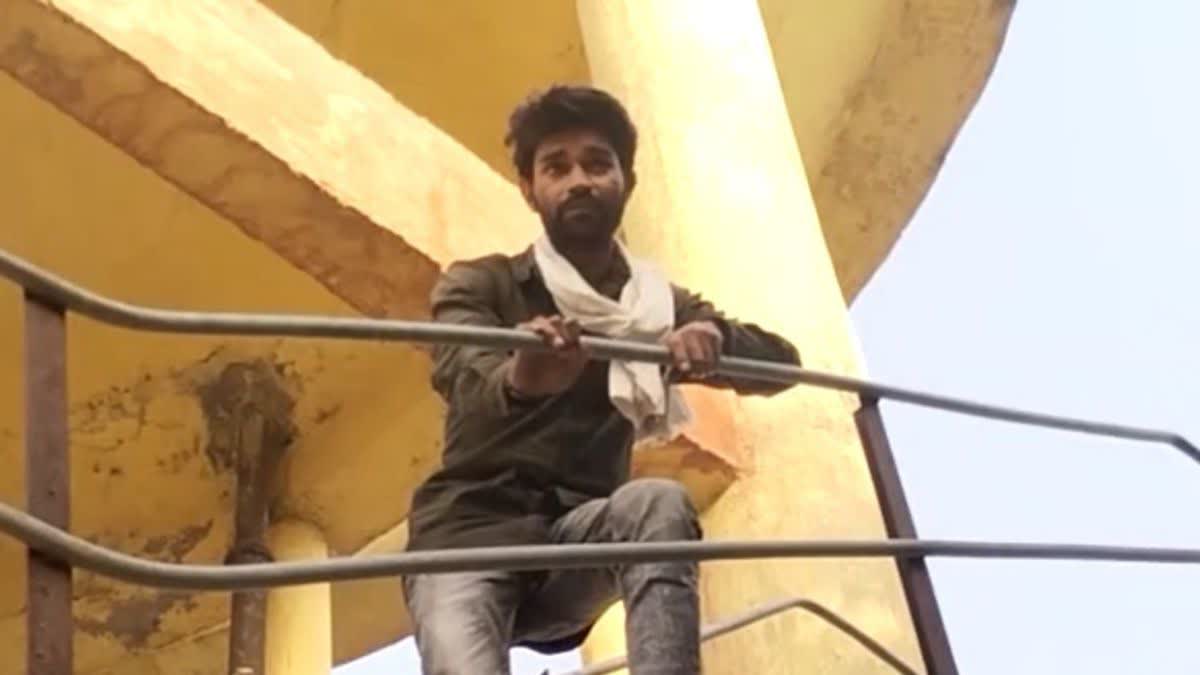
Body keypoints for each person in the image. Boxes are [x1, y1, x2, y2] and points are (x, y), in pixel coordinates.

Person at [402, 84, 801, 675]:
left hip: (574, 542)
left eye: (597, 163)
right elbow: (463, 375)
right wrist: (524, 376)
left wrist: (713, 341)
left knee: (657, 502)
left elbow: (783, 366)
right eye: (556, 167)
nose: (579, 181)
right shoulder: (483, 284)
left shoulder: (655, 303)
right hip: (466, 539)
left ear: (626, 182)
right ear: (530, 191)